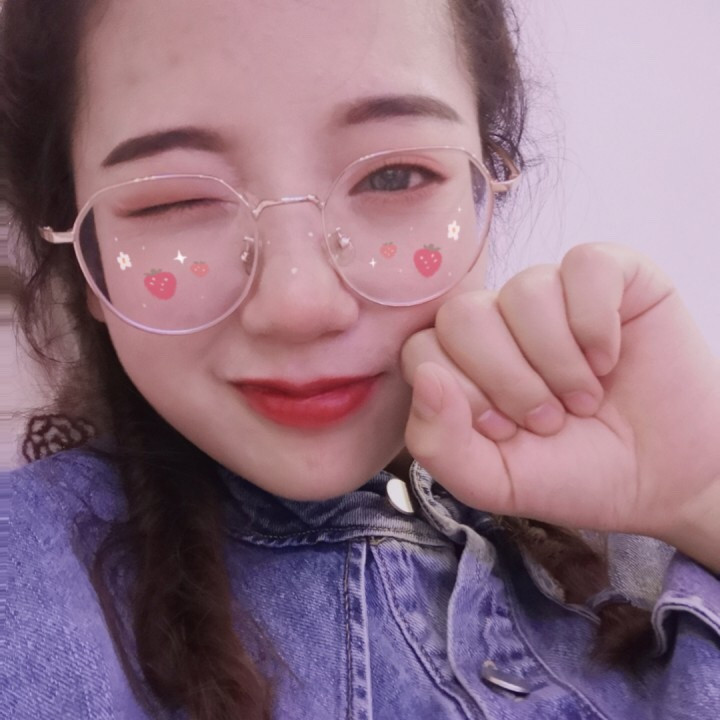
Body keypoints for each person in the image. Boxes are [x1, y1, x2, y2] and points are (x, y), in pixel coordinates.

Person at [2, 0, 719, 718]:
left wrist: (702, 496)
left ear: (486, 188)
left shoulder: (649, 523)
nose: (300, 306)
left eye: (393, 177)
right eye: (174, 200)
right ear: (83, 252)